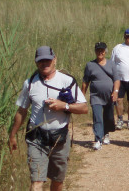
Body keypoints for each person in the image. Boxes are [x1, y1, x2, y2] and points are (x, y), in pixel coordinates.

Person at [9, 46, 88, 191]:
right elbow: (21, 111)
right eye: (41, 61)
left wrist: (64, 106)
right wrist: (12, 135)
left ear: (55, 60)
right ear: (36, 62)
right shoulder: (30, 83)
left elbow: (84, 108)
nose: (45, 63)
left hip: (60, 139)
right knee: (37, 182)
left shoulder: (67, 81)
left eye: (48, 60)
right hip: (36, 139)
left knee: (57, 182)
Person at [82, 42, 120, 150]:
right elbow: (85, 81)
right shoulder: (90, 65)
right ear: (95, 51)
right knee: (97, 117)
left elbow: (117, 79)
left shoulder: (111, 64)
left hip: (109, 96)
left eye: (102, 50)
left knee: (108, 117)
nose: (100, 52)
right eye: (98, 50)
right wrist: (82, 95)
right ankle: (98, 139)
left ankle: (106, 133)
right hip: (95, 96)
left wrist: (115, 91)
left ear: (105, 51)